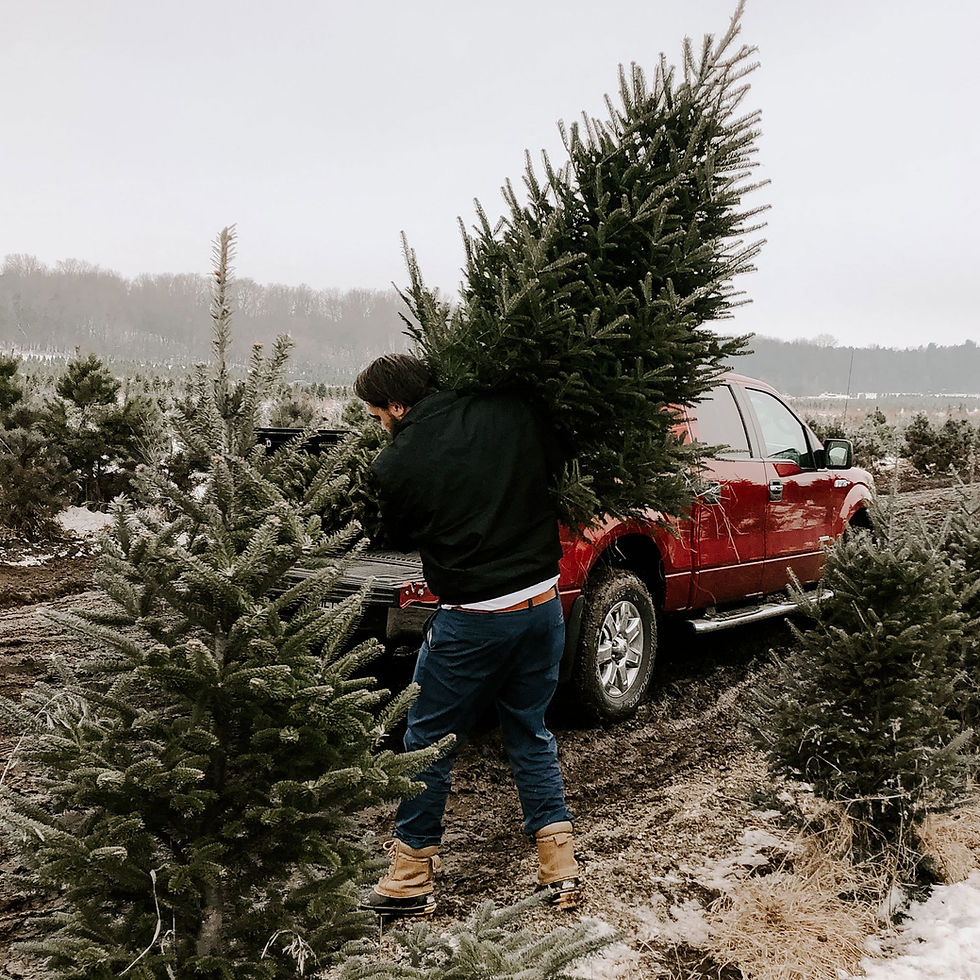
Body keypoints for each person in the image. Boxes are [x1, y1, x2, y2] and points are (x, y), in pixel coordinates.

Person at [353, 353, 580, 919]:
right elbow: (557, 467)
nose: (382, 424)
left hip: (474, 618)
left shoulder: (396, 463)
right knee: (529, 729)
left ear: (397, 405)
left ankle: (409, 879)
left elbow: (401, 533)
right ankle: (561, 872)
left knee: (428, 740)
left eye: (380, 413)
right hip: (543, 605)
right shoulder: (511, 409)